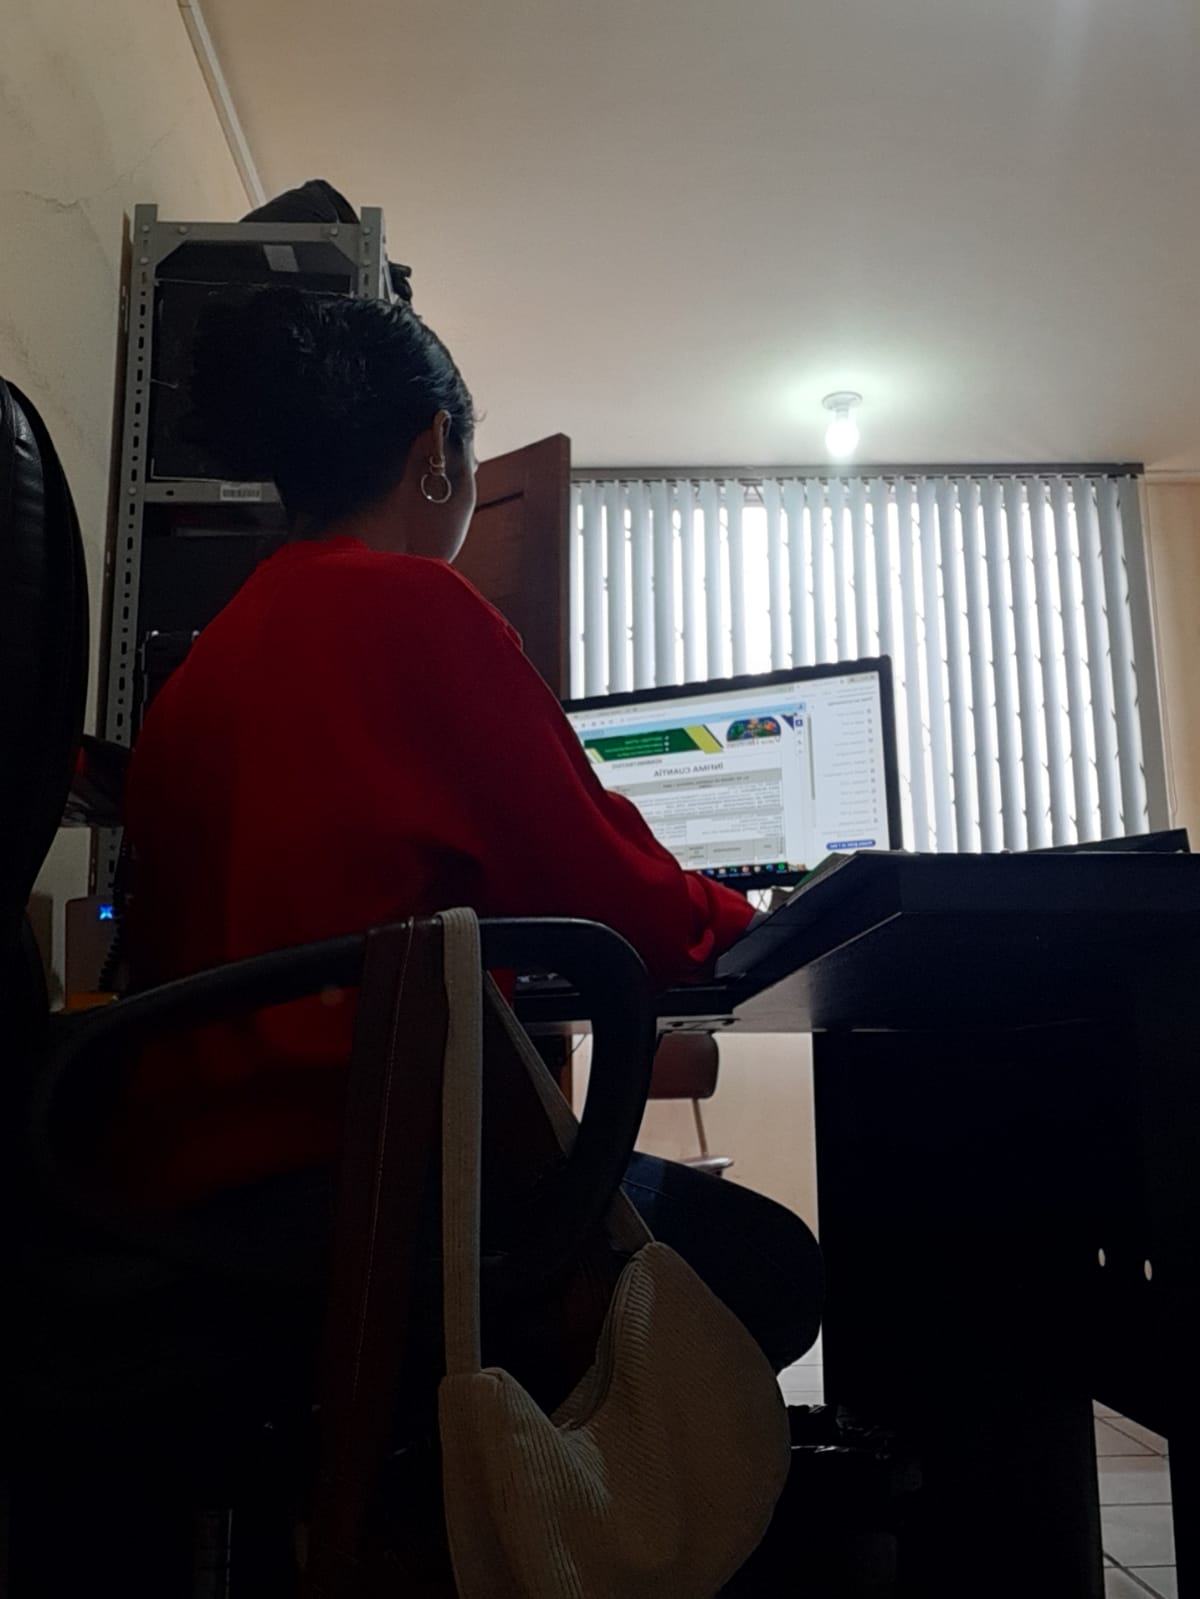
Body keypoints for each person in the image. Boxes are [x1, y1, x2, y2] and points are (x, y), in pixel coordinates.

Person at [116, 286, 821, 1372]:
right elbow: (624, 906)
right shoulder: (416, 611)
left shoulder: (206, 664)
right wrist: (764, 917)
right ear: (435, 450)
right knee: (774, 1267)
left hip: (191, 1217)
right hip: (373, 1195)